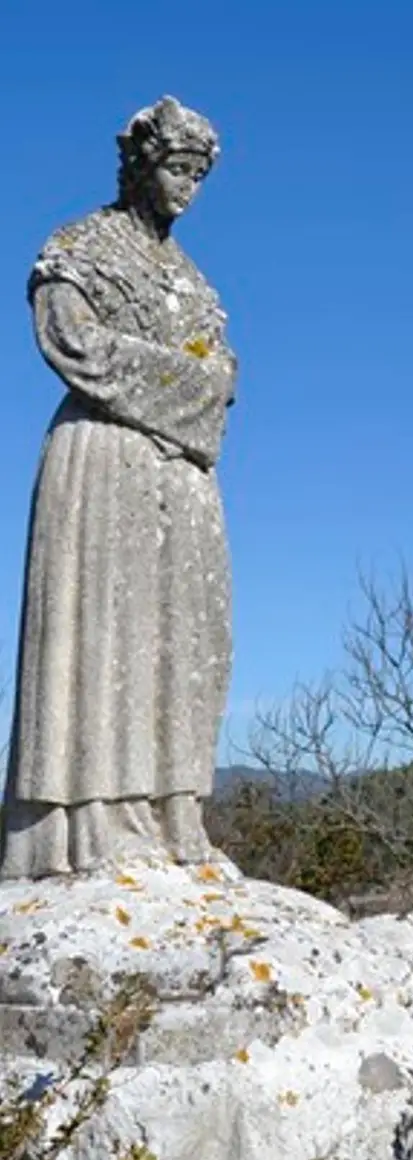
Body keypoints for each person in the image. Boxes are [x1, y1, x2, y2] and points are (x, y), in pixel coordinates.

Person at [0, 96, 237, 879]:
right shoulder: (79, 248)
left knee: (187, 639)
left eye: (199, 176)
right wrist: (189, 390)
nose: (187, 189)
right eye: (176, 169)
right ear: (139, 163)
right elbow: (72, 341)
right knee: (97, 636)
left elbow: (225, 372)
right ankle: (87, 831)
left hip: (181, 478)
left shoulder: (192, 284)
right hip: (102, 463)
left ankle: (174, 815)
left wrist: (202, 391)